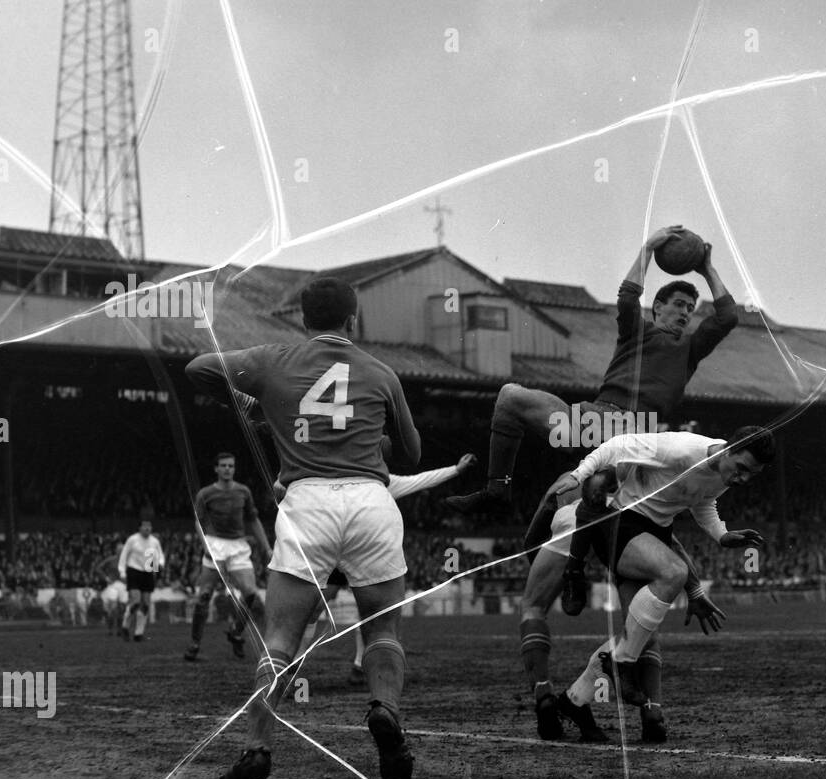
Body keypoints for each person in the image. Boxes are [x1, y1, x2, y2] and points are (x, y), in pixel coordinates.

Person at [186, 277, 422, 779]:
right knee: (382, 633)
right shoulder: (382, 373)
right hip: (371, 503)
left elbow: (198, 368)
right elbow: (412, 451)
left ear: (302, 319)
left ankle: (256, 748)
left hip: (307, 503)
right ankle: (385, 710)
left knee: (281, 641)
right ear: (353, 319)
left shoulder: (274, 358)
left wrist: (250, 404)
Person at [445, 225, 739, 515]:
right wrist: (647, 249)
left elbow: (727, 317)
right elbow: (627, 298)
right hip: (591, 422)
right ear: (658, 307)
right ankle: (497, 489)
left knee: (564, 510)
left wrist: (706, 268)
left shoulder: (689, 349)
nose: (686, 312)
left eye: (691, 308)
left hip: (633, 435)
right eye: (680, 305)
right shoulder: (637, 331)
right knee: (510, 396)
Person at [547, 427, 773, 743]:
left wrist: (721, 534)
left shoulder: (723, 475)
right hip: (622, 523)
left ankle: (573, 701)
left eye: (752, 474)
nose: (744, 479)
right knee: (674, 574)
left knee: (640, 635)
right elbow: (618, 445)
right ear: (727, 450)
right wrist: (580, 472)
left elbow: (702, 502)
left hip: (652, 535)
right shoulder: (680, 449)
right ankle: (621, 664)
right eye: (742, 469)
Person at [289, 453, 479, 683]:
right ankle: (295, 662)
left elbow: (419, 480)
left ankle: (359, 665)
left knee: (368, 612)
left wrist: (456, 470)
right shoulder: (336, 474)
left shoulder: (383, 483)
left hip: (367, 554)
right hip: (335, 552)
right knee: (315, 606)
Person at [183, 453, 270, 662]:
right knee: (204, 595)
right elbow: (198, 522)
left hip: (238, 546)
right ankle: (194, 644)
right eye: (223, 465)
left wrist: (266, 547)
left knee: (250, 594)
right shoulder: (206, 493)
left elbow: (253, 519)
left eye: (231, 465)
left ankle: (236, 631)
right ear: (216, 469)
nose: (227, 469)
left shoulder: (243, 491)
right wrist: (205, 546)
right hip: (215, 545)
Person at [117, 519, 165, 642]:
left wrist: (160, 564)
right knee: (136, 601)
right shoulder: (132, 539)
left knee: (146, 604)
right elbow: (124, 555)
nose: (147, 528)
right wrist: (122, 571)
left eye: (149, 526)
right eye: (145, 526)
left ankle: (139, 633)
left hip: (148, 571)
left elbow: (160, 556)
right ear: (139, 528)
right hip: (134, 570)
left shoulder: (154, 541)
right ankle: (125, 626)